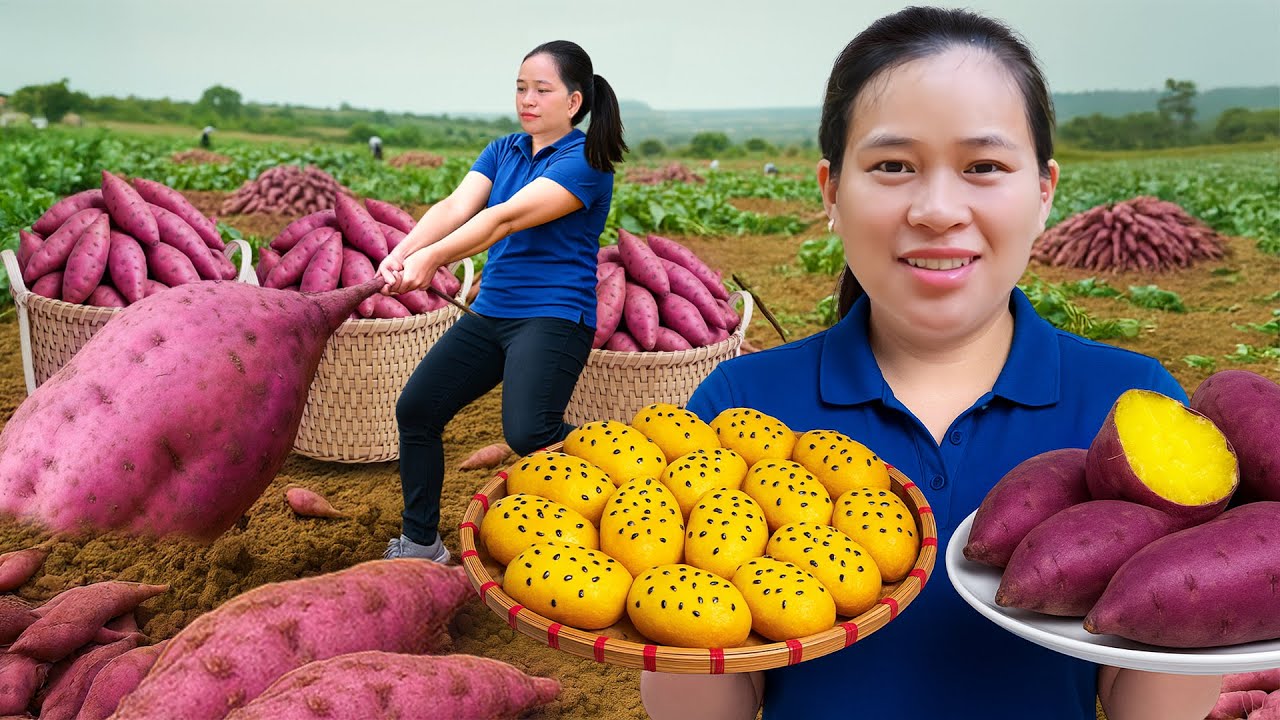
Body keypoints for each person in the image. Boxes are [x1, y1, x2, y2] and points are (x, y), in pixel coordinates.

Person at [640, 8, 1222, 720]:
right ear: (831, 191)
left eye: (984, 167)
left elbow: (1147, 709)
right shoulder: (740, 408)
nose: (938, 210)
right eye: (893, 166)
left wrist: (1219, 576)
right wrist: (661, 582)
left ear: (1044, 193)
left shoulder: (1132, 407)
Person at [377, 40, 626, 564]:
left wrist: (432, 259)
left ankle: (630, 463)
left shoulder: (585, 162)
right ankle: (421, 543)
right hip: (492, 312)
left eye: (541, 90)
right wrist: (401, 253)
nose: (527, 99)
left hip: (553, 317)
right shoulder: (503, 150)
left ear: (574, 102)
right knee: (417, 408)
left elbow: (502, 219)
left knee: (530, 431)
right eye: (520, 88)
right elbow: (455, 206)